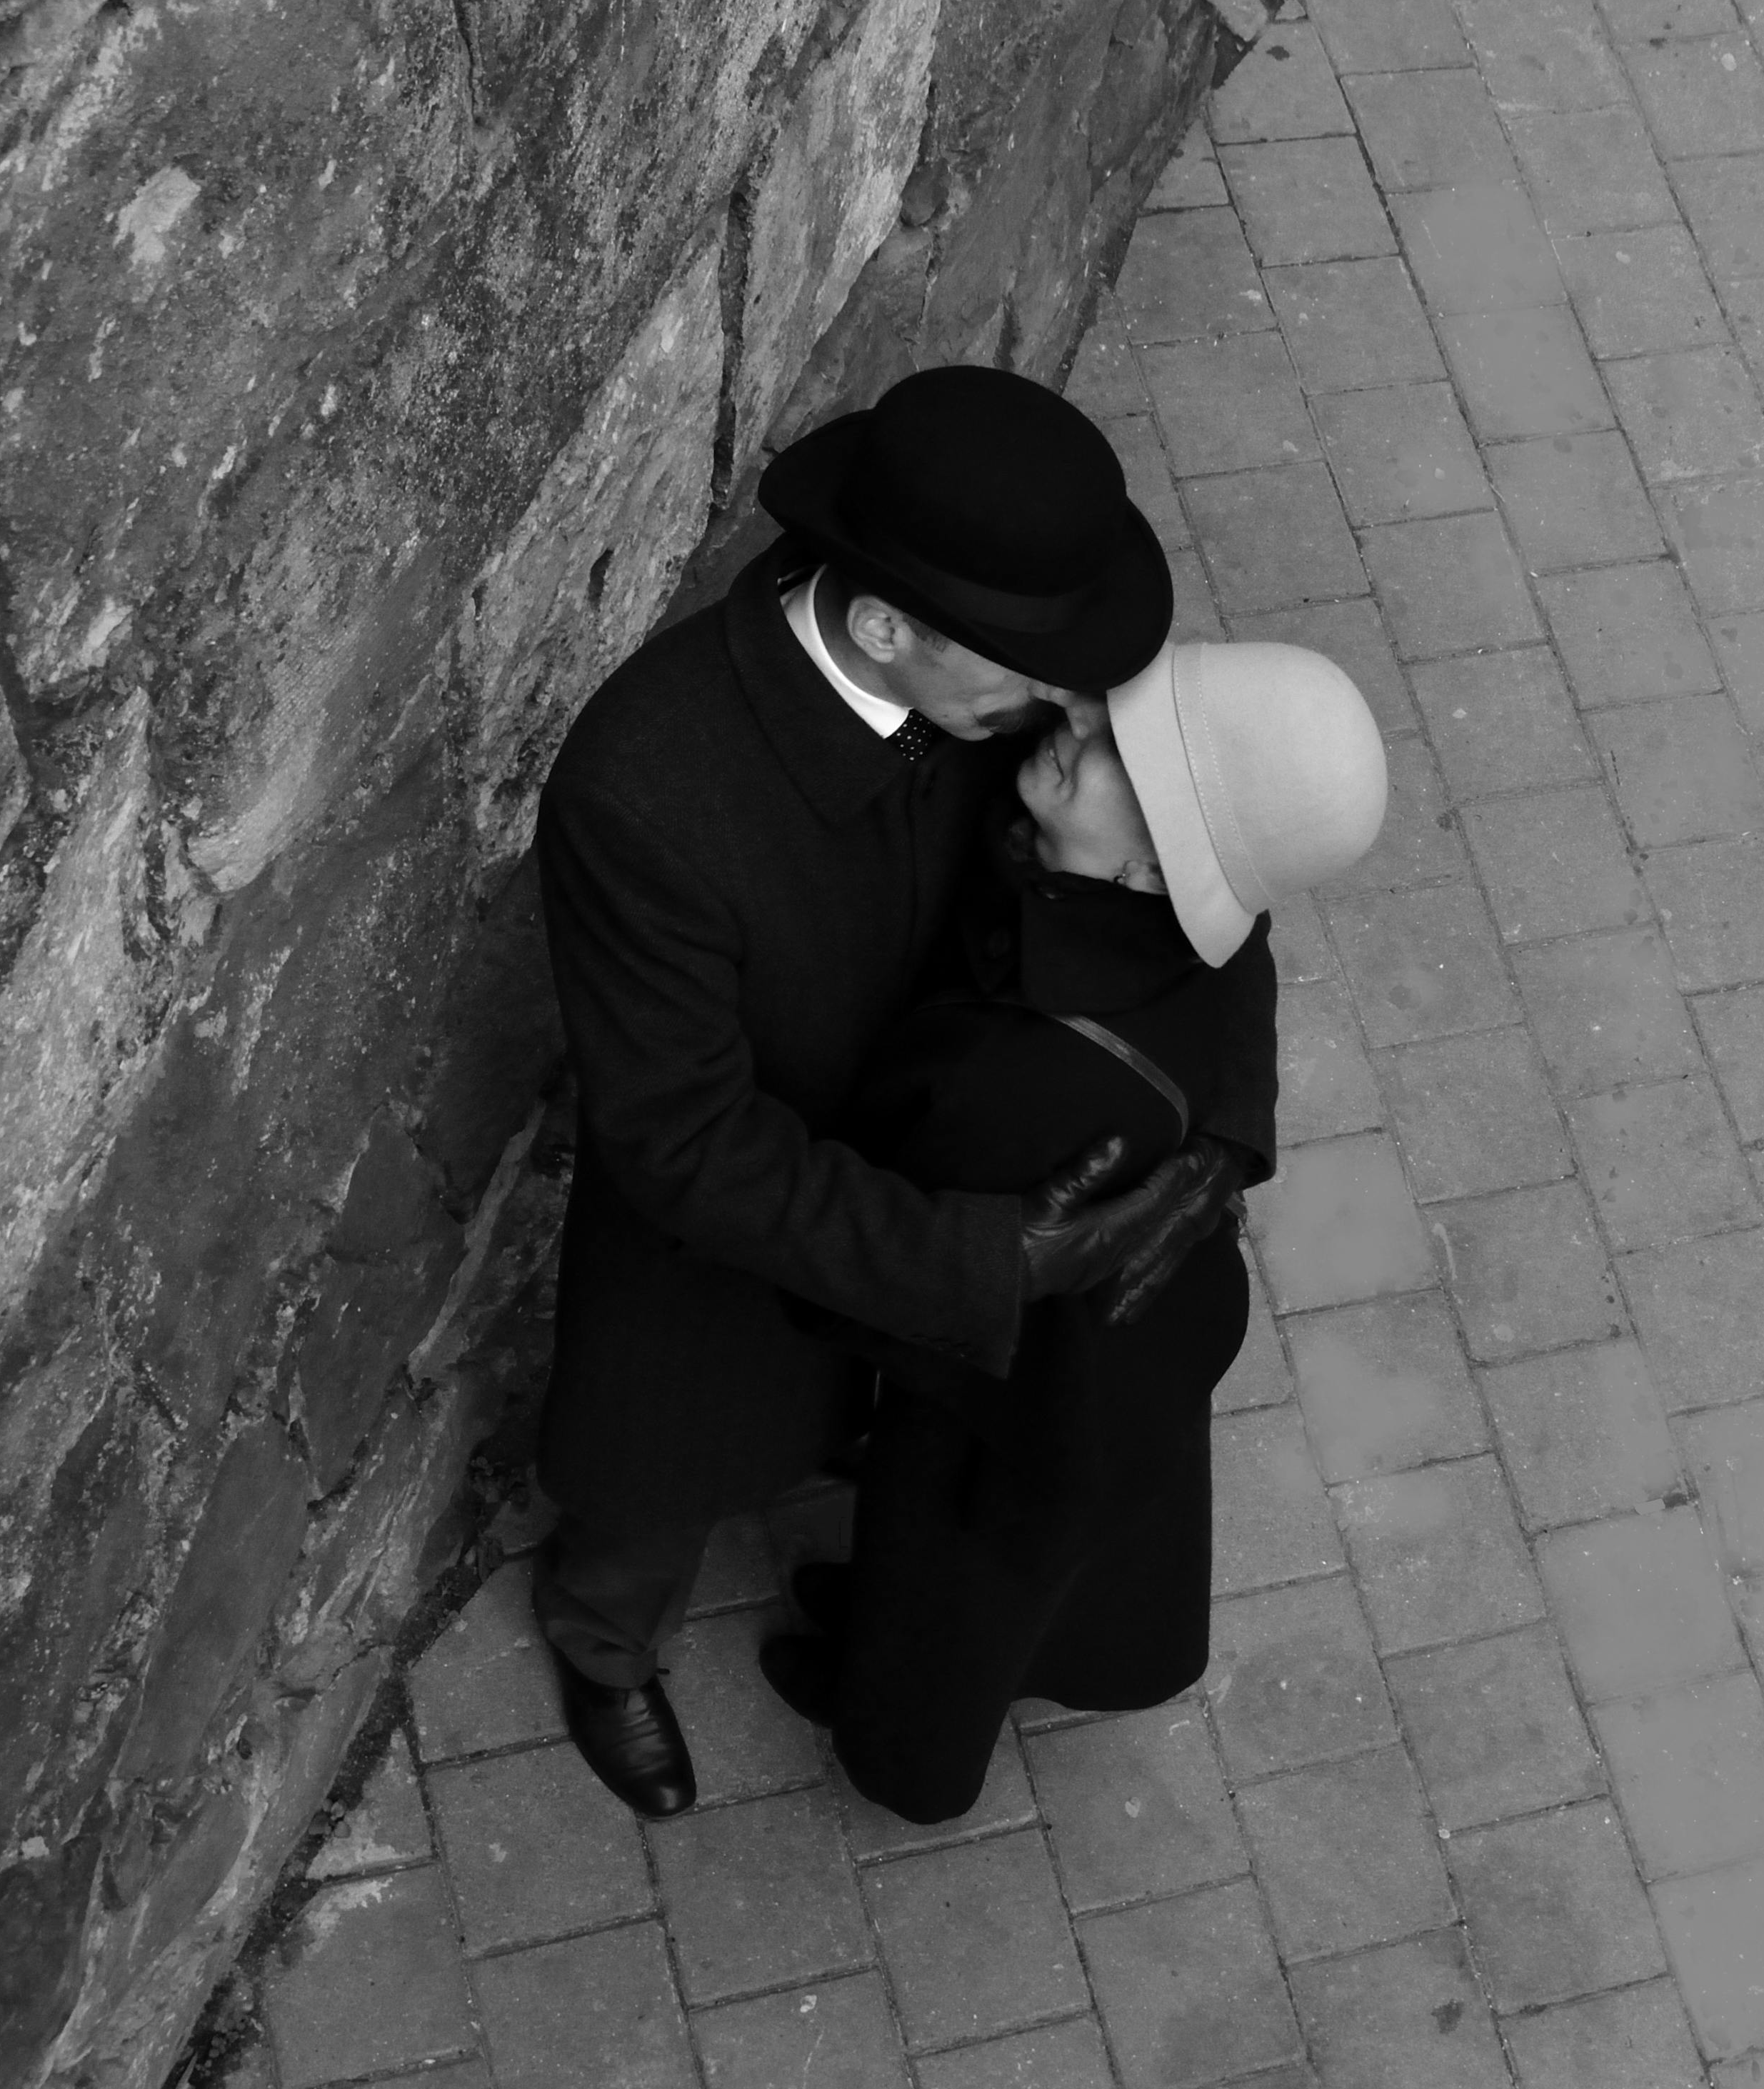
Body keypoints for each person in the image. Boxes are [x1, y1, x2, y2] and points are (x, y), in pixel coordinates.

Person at [530, 366, 1254, 1818]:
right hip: (742, 1236)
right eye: (1025, 674)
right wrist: (980, 1263)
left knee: (911, 1454)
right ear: (882, 629)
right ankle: (603, 1648)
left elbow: (1197, 870)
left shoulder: (996, 686)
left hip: (945, 1164)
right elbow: (681, 1144)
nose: (1066, 707)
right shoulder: (643, 789)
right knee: (655, 1473)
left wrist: (1219, 1131)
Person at [759, 639, 1389, 1822]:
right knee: (1010, 1544)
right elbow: (1242, 961)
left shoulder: (1028, 1071)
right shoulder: (1165, 922)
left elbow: (881, 1245)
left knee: (956, 1558)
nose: (1073, 723)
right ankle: (933, 1638)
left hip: (1031, 1371)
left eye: (1123, 762)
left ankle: (904, 1746)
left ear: (1157, 867)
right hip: (1120, 1334)